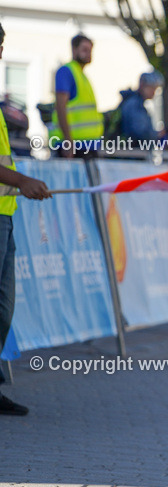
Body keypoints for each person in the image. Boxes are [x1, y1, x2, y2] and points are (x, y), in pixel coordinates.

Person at [0, 21, 53, 416]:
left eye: (1, 44)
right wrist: (22, 180)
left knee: (4, 308)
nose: (0, 52)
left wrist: (19, 186)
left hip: (6, 214)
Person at [49, 34, 104, 158]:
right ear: (74, 50)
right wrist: (68, 142)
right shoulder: (67, 71)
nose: (88, 54)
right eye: (84, 49)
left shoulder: (81, 74)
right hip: (74, 147)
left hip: (86, 146)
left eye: (90, 50)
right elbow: (60, 107)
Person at [115, 71, 164, 144]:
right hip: (131, 153)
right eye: (151, 87)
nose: (153, 92)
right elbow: (139, 133)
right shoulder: (134, 105)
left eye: (155, 89)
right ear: (142, 85)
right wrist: (156, 135)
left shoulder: (136, 103)